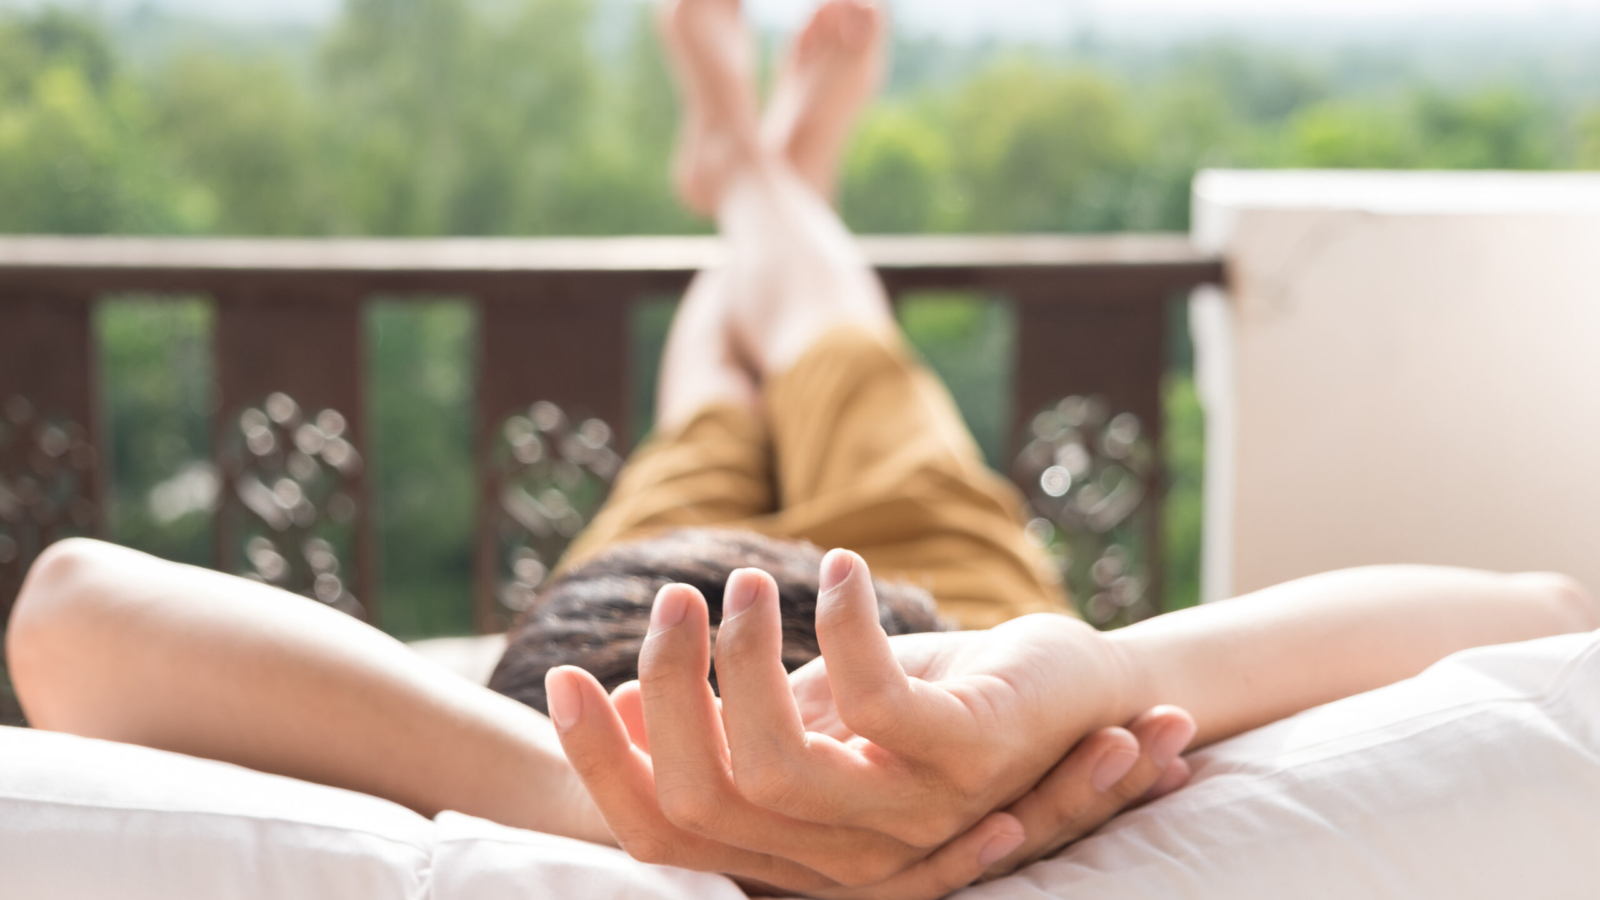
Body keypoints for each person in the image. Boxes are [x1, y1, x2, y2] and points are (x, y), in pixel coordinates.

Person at [6, 1, 1598, 898]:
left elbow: (72, 614)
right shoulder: (1004, 717)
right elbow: (1543, 614)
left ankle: (757, 174)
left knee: (715, 400)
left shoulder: (480, 712)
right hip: (928, 609)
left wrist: (606, 795)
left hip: (617, 623)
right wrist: (1082, 672)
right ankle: (776, 184)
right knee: (833, 344)